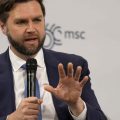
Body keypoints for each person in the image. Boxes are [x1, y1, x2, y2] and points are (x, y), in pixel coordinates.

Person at [0, 0, 107, 120]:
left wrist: (77, 105)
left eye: (37, 20)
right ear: (3, 27)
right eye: (21, 22)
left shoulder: (71, 67)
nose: (31, 29)